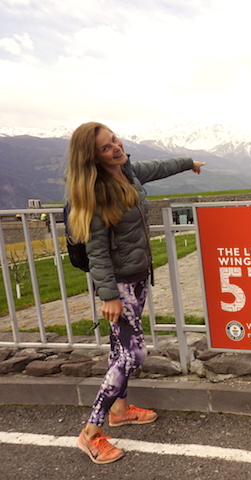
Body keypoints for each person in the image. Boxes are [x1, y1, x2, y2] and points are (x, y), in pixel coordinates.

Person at [66, 122, 205, 464]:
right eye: (105, 147)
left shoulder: (126, 172)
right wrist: (108, 295)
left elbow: (158, 168)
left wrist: (189, 162)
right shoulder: (97, 191)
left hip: (138, 276)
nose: (115, 146)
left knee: (120, 351)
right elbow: (97, 249)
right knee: (132, 355)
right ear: (93, 158)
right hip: (120, 285)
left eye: (113, 139)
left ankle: (120, 411)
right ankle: (90, 433)